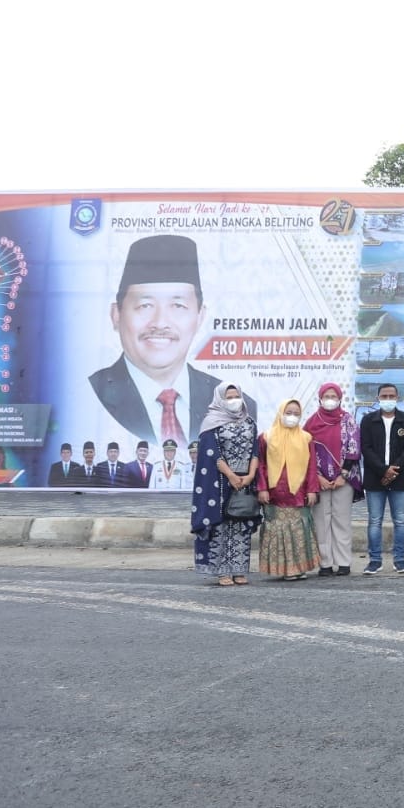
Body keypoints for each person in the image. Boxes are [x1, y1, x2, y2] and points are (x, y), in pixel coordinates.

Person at [88, 234, 256, 443]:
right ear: (116, 315)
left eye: (178, 306)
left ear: (199, 317)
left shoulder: (237, 407)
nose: (160, 323)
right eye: (145, 306)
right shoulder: (87, 398)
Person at [191, 384, 260, 585]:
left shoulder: (249, 422)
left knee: (240, 524)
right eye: (229, 397)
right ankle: (222, 571)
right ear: (220, 399)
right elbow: (212, 454)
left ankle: (239, 569)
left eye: (236, 396)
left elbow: (255, 451)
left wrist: (250, 475)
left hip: (246, 480)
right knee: (221, 525)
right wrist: (231, 476)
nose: (233, 400)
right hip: (220, 482)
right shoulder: (211, 423)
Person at [256, 398, 321, 580]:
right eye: (288, 413)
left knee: (299, 531)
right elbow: (260, 465)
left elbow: (311, 467)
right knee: (279, 532)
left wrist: (312, 490)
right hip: (274, 494)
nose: (292, 417)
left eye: (296, 414)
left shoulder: (306, 438)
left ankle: (299, 568)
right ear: (280, 413)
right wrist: (262, 488)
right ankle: (285, 570)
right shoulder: (266, 437)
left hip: (298, 494)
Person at [360, 383, 404, 576]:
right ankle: (375, 560)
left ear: (397, 397)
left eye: (391, 396)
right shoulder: (368, 420)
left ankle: (400, 559)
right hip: (375, 478)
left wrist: (393, 471)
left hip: (399, 479)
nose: (388, 399)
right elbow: (366, 449)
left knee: (400, 520)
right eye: (384, 396)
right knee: (374, 521)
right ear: (378, 398)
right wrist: (384, 470)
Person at [305, 382, 359, 577]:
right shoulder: (311, 423)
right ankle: (325, 563)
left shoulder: (348, 420)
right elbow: (305, 454)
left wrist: (342, 475)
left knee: (341, 520)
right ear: (320, 398)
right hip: (319, 480)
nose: (330, 400)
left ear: (339, 398)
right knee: (321, 521)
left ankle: (343, 562)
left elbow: (354, 449)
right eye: (326, 396)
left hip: (342, 480)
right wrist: (317, 476)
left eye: (333, 396)